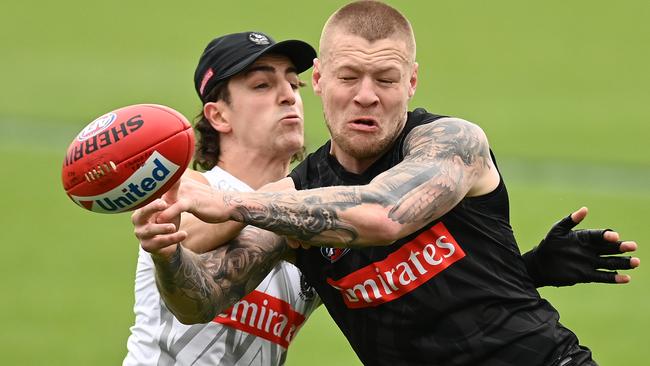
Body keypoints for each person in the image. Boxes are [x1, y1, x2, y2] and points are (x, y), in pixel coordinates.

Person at [137, 3, 639, 365]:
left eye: (386, 79)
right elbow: (197, 302)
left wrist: (231, 202)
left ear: (413, 82)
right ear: (319, 81)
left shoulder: (451, 144)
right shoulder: (295, 197)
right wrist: (165, 253)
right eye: (349, 76)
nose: (366, 96)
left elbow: (383, 216)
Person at [123, 31, 321, 365]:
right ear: (218, 115)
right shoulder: (187, 186)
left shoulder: (308, 207)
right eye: (262, 85)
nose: (288, 95)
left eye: (294, 84)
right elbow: (184, 230)